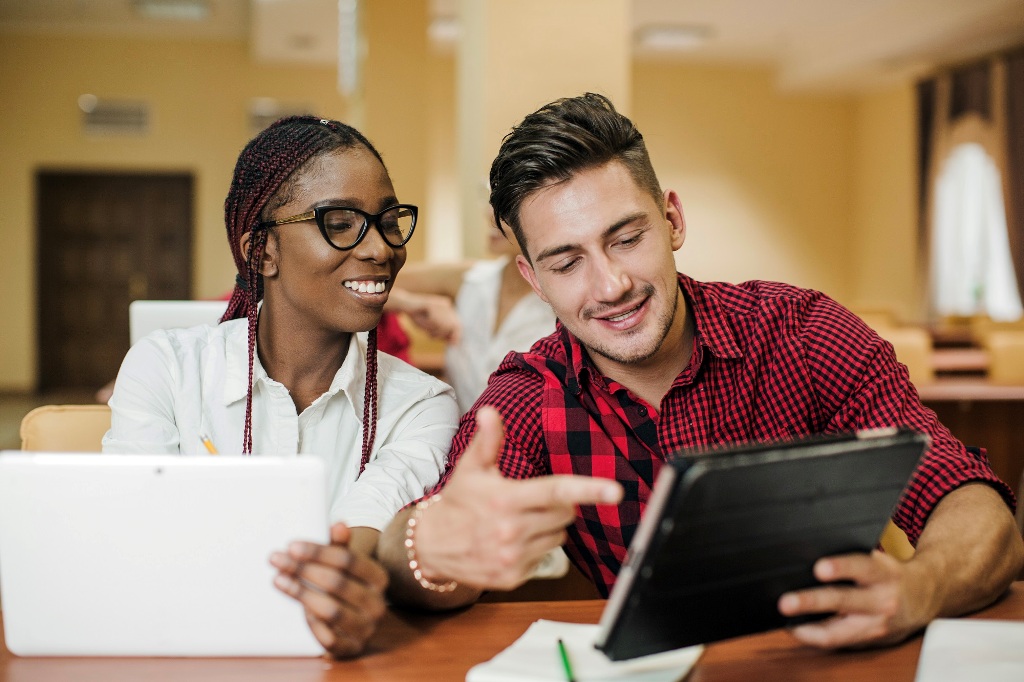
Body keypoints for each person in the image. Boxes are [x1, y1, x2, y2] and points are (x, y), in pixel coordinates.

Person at [376, 93, 1024, 649]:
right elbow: (427, 552)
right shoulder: (525, 399)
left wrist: (919, 587)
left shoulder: (802, 334)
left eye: (627, 238)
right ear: (533, 278)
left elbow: (970, 503)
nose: (612, 285)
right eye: (567, 261)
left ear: (673, 220)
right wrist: (427, 548)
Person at [103, 116, 459, 657]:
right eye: (340, 222)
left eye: (389, 220)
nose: (382, 249)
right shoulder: (166, 369)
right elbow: (135, 543)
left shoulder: (422, 403)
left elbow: (369, 521)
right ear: (261, 251)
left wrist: (342, 583)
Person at [387, 216, 556, 413]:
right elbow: (362, 285)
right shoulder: (468, 279)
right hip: (455, 439)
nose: (491, 215)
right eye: (491, 198)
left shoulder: (565, 302)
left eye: (507, 208)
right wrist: (412, 304)